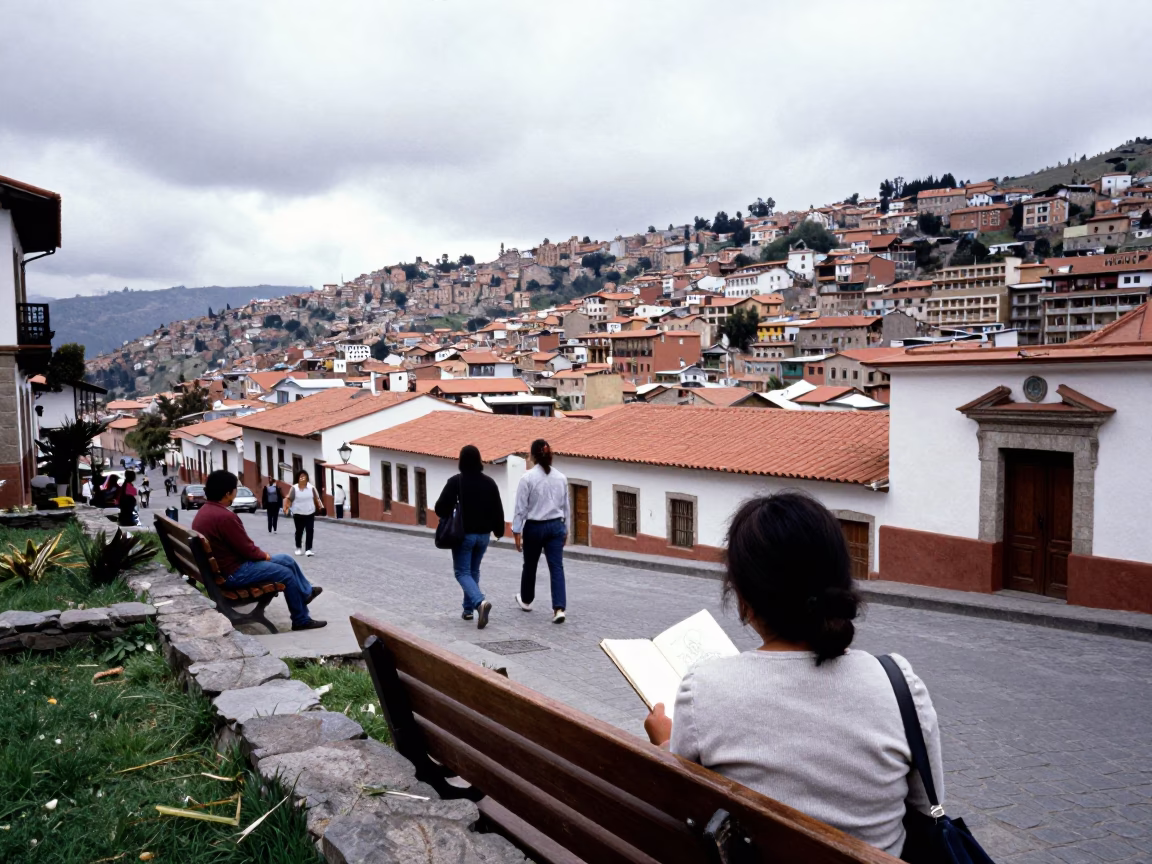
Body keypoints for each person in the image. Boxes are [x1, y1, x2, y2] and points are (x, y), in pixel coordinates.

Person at [642, 492, 944, 858]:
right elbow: (929, 808)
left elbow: (683, 807)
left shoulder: (703, 690)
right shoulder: (900, 684)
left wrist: (663, 745)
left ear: (742, 599)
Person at [192, 470, 326, 631]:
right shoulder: (224, 517)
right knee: (286, 574)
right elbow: (247, 550)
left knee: (286, 559)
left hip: (224, 569)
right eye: (235, 489)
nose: (236, 491)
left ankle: (306, 593)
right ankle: (301, 619)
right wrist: (264, 556)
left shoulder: (205, 512)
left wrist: (262, 556)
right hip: (234, 573)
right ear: (228, 493)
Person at [434, 444, 506, 628]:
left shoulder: (456, 482)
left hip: (463, 536)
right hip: (483, 537)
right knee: (473, 571)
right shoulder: (490, 483)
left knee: (462, 572)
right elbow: (498, 509)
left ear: (461, 461)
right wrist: (499, 530)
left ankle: (480, 603)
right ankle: (468, 610)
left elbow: (440, 508)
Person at [511, 439, 569, 624]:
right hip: (555, 526)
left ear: (533, 456)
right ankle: (559, 608)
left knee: (530, 565)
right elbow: (565, 506)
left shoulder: (527, 478)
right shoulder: (561, 477)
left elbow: (521, 508)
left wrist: (516, 531)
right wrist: (565, 529)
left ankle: (527, 600)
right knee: (557, 567)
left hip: (534, 527)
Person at [284, 469, 323, 556]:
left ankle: (308, 549)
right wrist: (286, 508)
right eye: (301, 477)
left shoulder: (311, 488)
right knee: (299, 531)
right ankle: (298, 547)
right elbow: (289, 499)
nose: (302, 478)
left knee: (310, 530)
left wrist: (319, 507)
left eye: (304, 477)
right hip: (298, 513)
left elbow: (316, 498)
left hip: (310, 512)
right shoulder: (294, 488)